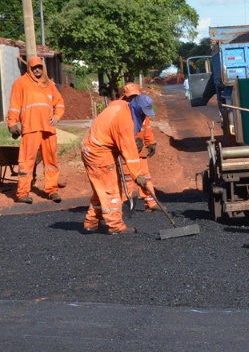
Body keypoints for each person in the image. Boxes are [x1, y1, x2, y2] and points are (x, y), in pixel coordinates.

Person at [80, 91, 154, 234]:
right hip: (99, 153)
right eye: (143, 113)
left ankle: (91, 222)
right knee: (111, 189)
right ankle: (115, 226)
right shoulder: (125, 121)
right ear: (137, 109)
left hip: (91, 148)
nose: (144, 116)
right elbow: (129, 152)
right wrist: (137, 175)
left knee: (99, 188)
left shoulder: (121, 105)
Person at [6, 56, 65, 204]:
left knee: (51, 160)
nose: (37, 69)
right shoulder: (20, 83)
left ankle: (52, 191)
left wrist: (57, 117)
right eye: (34, 67)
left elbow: (59, 103)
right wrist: (12, 123)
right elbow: (14, 105)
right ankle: (22, 193)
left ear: (43, 68)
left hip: (48, 129)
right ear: (29, 69)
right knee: (26, 161)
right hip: (30, 128)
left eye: (39, 66)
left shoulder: (49, 84)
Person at [117, 83, 159, 212]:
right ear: (126, 96)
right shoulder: (120, 109)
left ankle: (151, 203)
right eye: (131, 97)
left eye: (136, 96)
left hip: (140, 151)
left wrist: (150, 142)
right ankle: (124, 206)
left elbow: (147, 128)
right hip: (125, 151)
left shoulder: (142, 107)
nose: (133, 99)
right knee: (128, 177)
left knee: (145, 176)